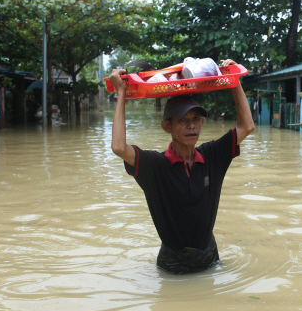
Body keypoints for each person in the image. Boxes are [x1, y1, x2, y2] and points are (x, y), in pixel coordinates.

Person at [109, 59, 255, 274]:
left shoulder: (212, 155)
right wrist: (121, 92)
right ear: (167, 126)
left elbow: (247, 126)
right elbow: (119, 147)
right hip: (172, 263)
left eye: (196, 118)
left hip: (209, 256)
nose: (191, 125)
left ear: (202, 123)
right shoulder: (155, 166)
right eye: (182, 120)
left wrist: (235, 81)